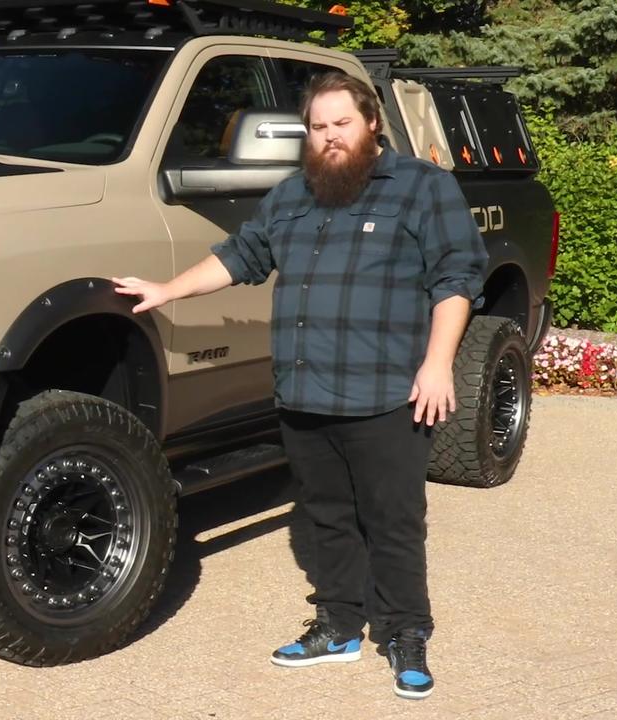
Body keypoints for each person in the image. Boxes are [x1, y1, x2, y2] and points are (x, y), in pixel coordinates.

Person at [112, 72, 487, 700]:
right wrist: (167, 290)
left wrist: (437, 363)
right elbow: (241, 255)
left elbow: (458, 276)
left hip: (389, 391)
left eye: (342, 123)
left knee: (393, 520)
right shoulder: (292, 195)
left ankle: (404, 633)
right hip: (305, 392)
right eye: (318, 127)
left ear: (372, 123)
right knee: (327, 515)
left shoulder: (422, 187)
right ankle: (339, 626)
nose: (330, 137)